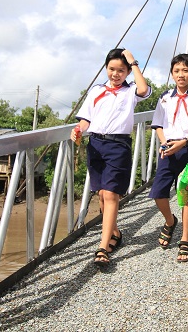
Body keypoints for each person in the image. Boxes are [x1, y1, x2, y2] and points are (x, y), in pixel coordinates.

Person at [71, 48, 151, 267]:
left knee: (111, 194)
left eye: (121, 70)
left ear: (127, 71)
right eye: (111, 69)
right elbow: (86, 119)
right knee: (101, 195)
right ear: (106, 68)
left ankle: (102, 247)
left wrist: (134, 62)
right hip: (96, 144)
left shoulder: (131, 90)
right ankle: (114, 233)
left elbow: (144, 89)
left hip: (118, 145)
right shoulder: (97, 90)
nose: (116, 74)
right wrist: (78, 129)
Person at [149, 53, 188, 262]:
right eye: (176, 71)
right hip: (168, 148)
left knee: (187, 195)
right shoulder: (165, 97)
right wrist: (165, 143)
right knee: (158, 192)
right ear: (172, 74)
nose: (181, 75)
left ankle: (185, 240)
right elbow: (158, 124)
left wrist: (183, 142)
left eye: (185, 70)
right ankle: (170, 220)